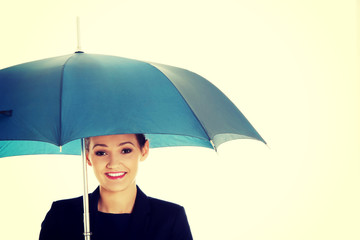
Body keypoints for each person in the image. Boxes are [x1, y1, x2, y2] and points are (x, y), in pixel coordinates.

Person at [39, 134, 193, 240]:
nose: (113, 163)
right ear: (88, 157)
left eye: (125, 150)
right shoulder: (61, 216)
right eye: (101, 152)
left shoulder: (170, 218)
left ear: (144, 150)